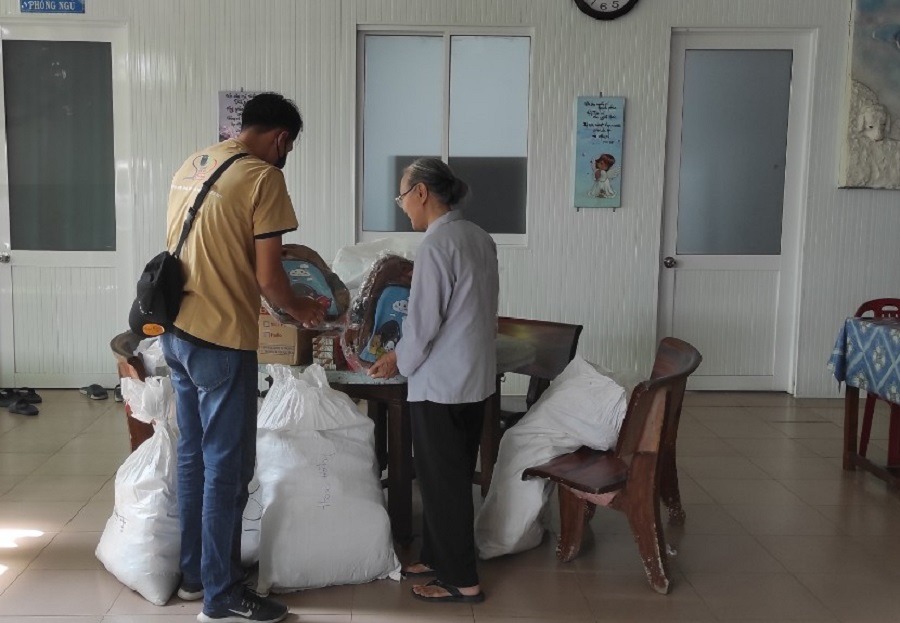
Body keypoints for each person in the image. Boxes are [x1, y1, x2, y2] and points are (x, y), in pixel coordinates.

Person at [159, 92, 325, 623]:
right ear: (281, 138)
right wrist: (303, 311)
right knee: (227, 469)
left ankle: (195, 576)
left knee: (194, 457)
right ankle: (223, 593)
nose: (286, 156)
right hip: (221, 339)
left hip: (176, 332)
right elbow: (270, 278)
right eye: (289, 147)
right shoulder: (263, 177)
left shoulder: (196, 161)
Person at [368, 157, 499, 604]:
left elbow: (423, 324)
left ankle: (462, 580)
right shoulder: (478, 236)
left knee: (442, 482)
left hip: (441, 383)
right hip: (474, 377)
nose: (403, 205)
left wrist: (396, 361)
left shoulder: (436, 245)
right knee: (452, 473)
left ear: (421, 192)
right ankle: (436, 556)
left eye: (403, 196)